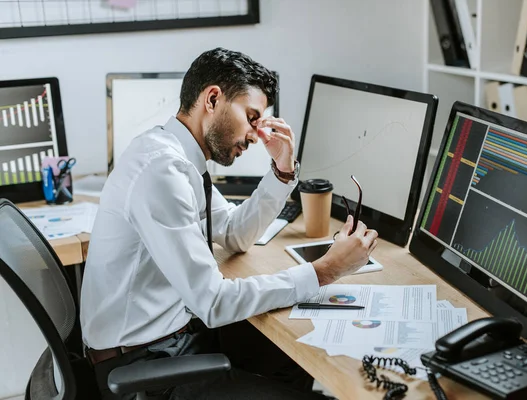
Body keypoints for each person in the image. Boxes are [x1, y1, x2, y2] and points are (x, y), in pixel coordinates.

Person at [80, 47, 378, 399]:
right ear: (212, 98)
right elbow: (214, 301)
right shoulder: (161, 172)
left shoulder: (180, 158)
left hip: (176, 339)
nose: (256, 134)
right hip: (144, 369)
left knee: (291, 359)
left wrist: (282, 173)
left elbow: (235, 234)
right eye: (252, 117)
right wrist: (325, 270)